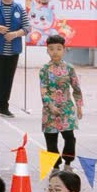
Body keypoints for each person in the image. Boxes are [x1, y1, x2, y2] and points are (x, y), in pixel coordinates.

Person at [36, 33, 82, 165]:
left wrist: (78, 106)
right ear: (47, 51)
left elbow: (76, 88)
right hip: (49, 110)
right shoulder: (44, 70)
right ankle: (55, 164)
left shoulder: (69, 68)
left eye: (58, 48)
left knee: (69, 137)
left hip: (66, 109)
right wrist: (50, 106)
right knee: (50, 139)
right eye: (51, 49)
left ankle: (68, 161)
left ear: (64, 49)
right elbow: (43, 90)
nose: (55, 52)